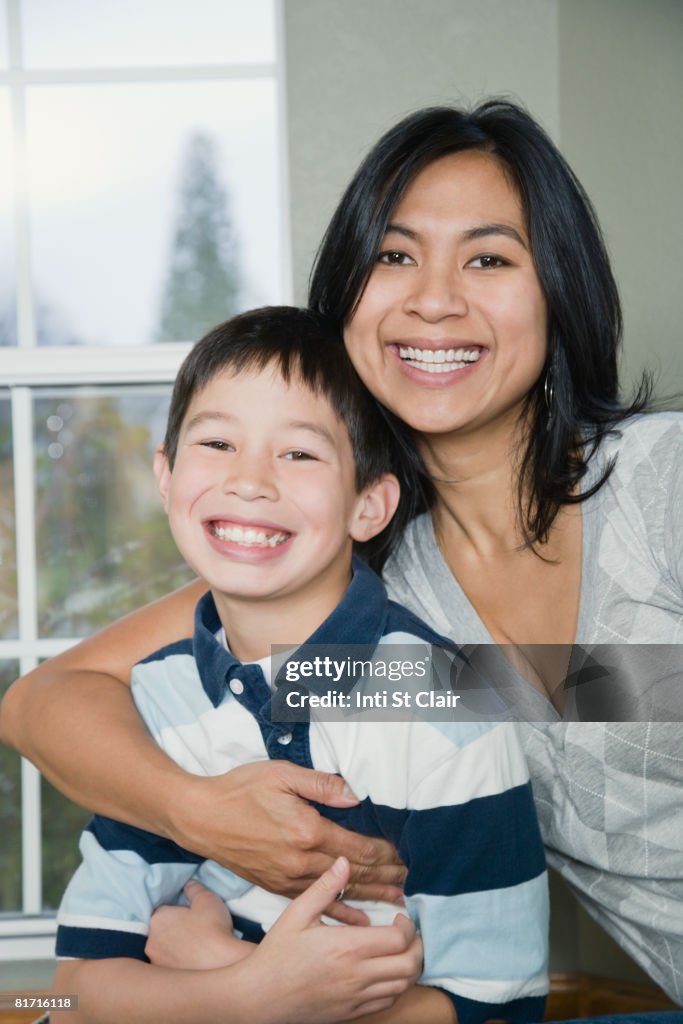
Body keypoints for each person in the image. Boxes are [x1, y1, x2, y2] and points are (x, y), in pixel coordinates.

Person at [2, 98, 681, 1011]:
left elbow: (599, 690)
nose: (433, 299)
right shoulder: (359, 587)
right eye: (394, 256)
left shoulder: (661, 486)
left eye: (488, 257)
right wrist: (211, 825)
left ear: (559, 290)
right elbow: (45, 701)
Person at [49, 306, 549, 1024]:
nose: (249, 480)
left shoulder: (441, 701)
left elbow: (494, 1006)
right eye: (217, 442)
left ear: (368, 506)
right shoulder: (157, 695)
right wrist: (245, 994)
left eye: (299, 454)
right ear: (165, 477)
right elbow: (65, 993)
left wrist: (246, 980)